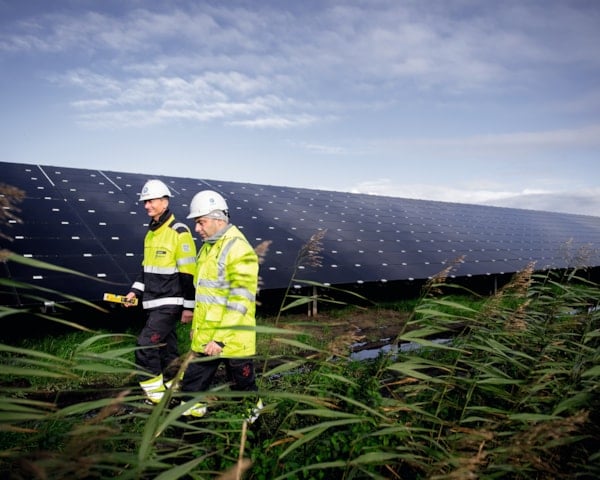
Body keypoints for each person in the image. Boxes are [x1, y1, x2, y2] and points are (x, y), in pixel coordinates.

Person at [180, 190, 262, 421]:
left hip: (232, 338)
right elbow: (205, 295)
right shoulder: (207, 247)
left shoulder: (238, 248)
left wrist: (221, 338)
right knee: (192, 385)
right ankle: (190, 425)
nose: (197, 229)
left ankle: (252, 426)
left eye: (200, 222)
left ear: (218, 219)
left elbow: (240, 299)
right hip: (207, 335)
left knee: (242, 386)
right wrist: (198, 328)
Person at [124, 179, 197, 405]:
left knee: (146, 346)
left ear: (164, 202)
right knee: (167, 348)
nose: (147, 206)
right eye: (145, 202)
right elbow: (146, 269)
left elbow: (188, 273)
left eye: (151, 201)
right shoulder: (151, 233)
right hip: (152, 302)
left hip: (170, 303)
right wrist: (134, 292)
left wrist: (188, 306)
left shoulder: (179, 232)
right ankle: (176, 387)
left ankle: (155, 396)